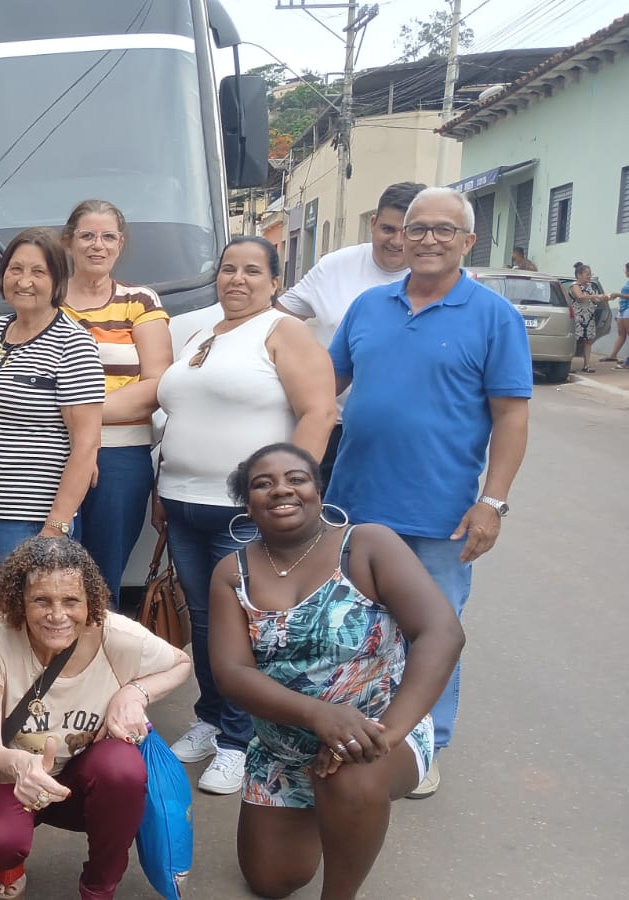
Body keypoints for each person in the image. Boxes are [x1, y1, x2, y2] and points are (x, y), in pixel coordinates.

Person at [326, 186, 530, 799]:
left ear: (468, 242)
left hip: (440, 514)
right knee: (352, 629)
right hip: (353, 506)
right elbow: (322, 386)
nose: (428, 240)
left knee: (432, 632)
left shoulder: (494, 316)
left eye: (445, 230)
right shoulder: (369, 306)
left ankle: (424, 746)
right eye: (417, 229)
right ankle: (352, 733)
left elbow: (511, 417)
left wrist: (492, 502)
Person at [209, 443, 464, 900]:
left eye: (296, 479)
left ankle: (342, 882)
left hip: (381, 729)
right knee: (272, 882)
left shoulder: (367, 546)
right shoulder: (233, 572)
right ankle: (334, 813)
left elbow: (441, 633)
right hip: (283, 752)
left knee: (353, 775)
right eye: (263, 484)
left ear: (318, 490)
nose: (281, 489)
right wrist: (319, 715)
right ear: (247, 504)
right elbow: (232, 673)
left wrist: (385, 733)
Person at [154, 236, 337, 796]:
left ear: (276, 282)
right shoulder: (203, 335)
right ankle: (211, 719)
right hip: (182, 502)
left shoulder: (283, 331)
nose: (237, 279)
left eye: (253, 271)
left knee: (244, 627)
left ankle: (239, 742)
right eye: (228, 268)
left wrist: (289, 492)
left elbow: (318, 411)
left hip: (242, 512)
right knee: (204, 623)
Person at [0, 537, 191, 900]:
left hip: (83, 782)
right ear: (19, 601)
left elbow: (181, 664)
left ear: (91, 601)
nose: (57, 615)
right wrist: (20, 766)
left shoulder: (117, 635)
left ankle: (99, 888)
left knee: (123, 768)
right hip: (15, 780)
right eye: (41, 600)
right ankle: (10, 862)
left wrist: (135, 693)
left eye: (71, 601)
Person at [0, 227, 104, 641]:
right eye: (16, 269)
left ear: (58, 280)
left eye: (38, 271)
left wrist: (55, 528)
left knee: (23, 629)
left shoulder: (73, 343)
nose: (24, 281)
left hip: (25, 519)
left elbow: (86, 444)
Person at [274, 182, 425, 483]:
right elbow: (277, 321)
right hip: (329, 423)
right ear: (373, 223)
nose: (397, 241)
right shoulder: (335, 266)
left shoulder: (432, 277)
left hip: (402, 432)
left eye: (408, 231)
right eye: (388, 229)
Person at [58, 200, 173, 594]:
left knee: (104, 577)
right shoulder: (47, 301)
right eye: (87, 236)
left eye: (108, 237)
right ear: (68, 242)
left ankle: (102, 635)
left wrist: (82, 415)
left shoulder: (140, 301)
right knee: (52, 568)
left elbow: (157, 384)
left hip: (120, 459)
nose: (98, 245)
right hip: (51, 454)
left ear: (120, 244)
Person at [569, 262, 613, 373]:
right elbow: (580, 297)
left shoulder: (589, 287)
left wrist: (604, 298)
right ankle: (568, 365)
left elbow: (595, 300)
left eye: (590, 274)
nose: (589, 276)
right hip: (577, 318)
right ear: (579, 275)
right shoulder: (574, 286)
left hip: (588, 318)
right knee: (574, 341)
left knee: (588, 341)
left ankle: (586, 365)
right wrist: (596, 295)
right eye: (587, 274)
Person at [607, 262, 629, 368]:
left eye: (626, 270)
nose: (625, 272)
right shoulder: (627, 282)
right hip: (623, 310)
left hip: (628, 309)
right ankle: (613, 355)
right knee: (621, 334)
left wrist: (618, 294)